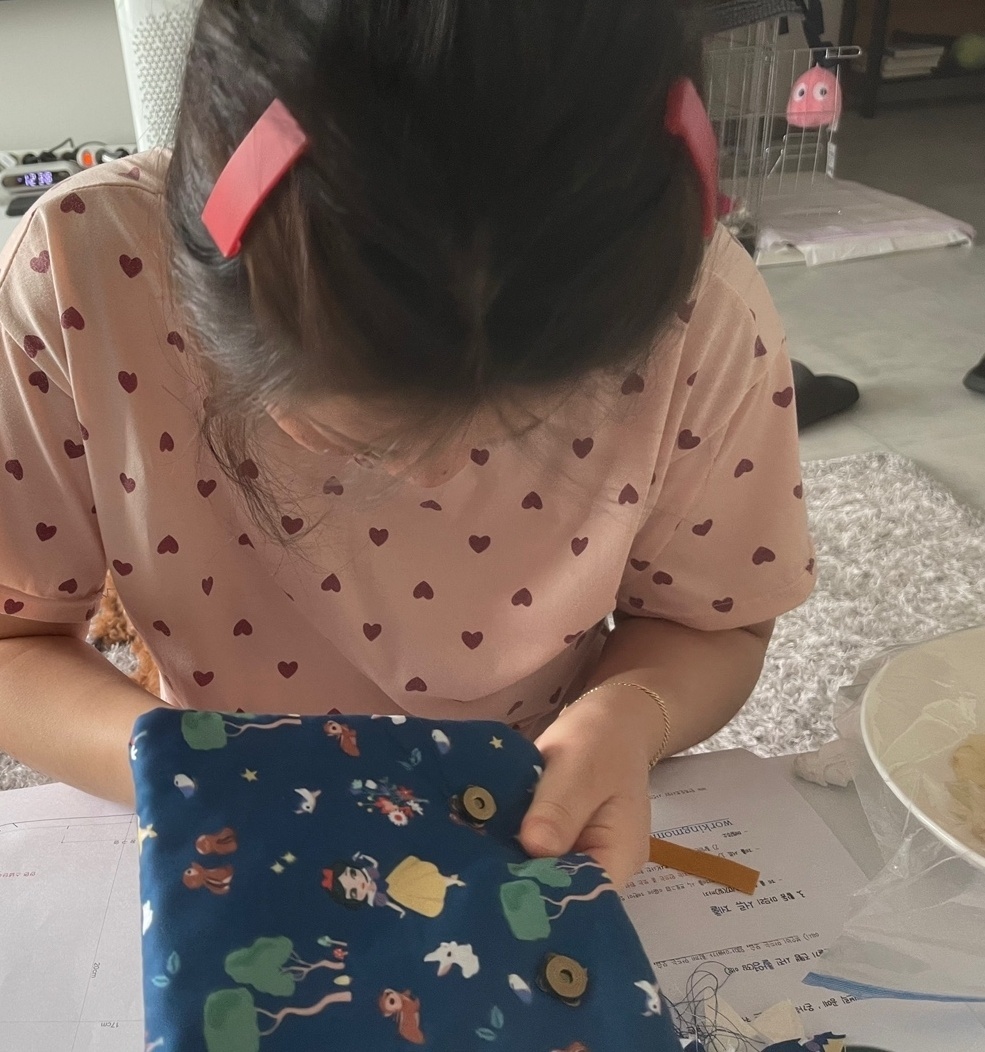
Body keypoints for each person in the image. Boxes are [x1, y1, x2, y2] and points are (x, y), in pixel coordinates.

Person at [0, 0, 814, 888]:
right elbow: (14, 640)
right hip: (225, 798)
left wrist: (633, 711)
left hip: (518, 812)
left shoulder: (701, 316)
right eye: (345, 434)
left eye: (525, 427)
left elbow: (713, 622)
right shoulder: (82, 276)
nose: (430, 472)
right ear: (206, 305)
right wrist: (194, 773)